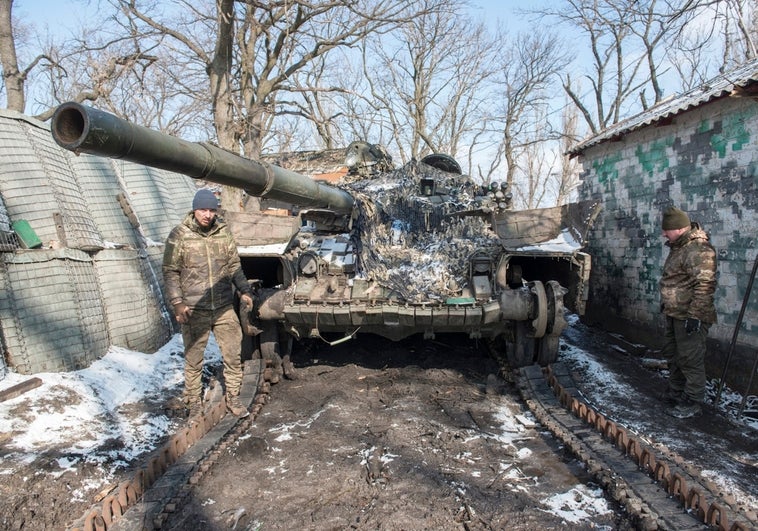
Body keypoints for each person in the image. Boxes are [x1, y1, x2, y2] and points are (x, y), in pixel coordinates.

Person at [163, 189, 254, 419]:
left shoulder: (224, 233)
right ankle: (193, 403)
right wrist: (177, 303)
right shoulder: (179, 235)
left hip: (223, 306)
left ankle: (233, 397)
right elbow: (170, 272)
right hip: (195, 308)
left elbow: (234, 266)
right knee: (194, 360)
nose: (208, 215)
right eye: (203, 209)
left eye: (212, 210)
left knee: (233, 356)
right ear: (195, 210)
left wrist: (244, 290)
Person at [659, 206, 717, 419]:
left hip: (690, 316)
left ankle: (692, 400)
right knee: (672, 354)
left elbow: (705, 285)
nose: (664, 234)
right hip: (675, 313)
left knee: (690, 358)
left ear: (680, 228)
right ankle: (676, 393)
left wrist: (695, 316)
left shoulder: (699, 250)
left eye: (667, 230)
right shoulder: (679, 247)